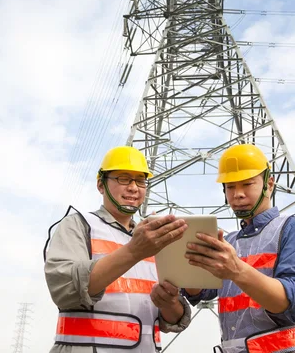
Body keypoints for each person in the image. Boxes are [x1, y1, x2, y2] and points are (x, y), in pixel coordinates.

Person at [43, 146, 192, 353]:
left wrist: (170, 303)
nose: (133, 188)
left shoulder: (154, 237)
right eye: (123, 178)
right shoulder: (79, 225)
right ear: (100, 185)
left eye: (140, 181)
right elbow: (66, 290)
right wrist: (134, 251)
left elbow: (172, 319)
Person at [182, 144, 295, 353]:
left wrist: (236, 269)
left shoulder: (294, 231)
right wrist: (185, 263)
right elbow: (202, 290)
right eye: (230, 187)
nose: (237, 194)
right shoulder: (228, 242)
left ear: (269, 184)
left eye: (247, 184)